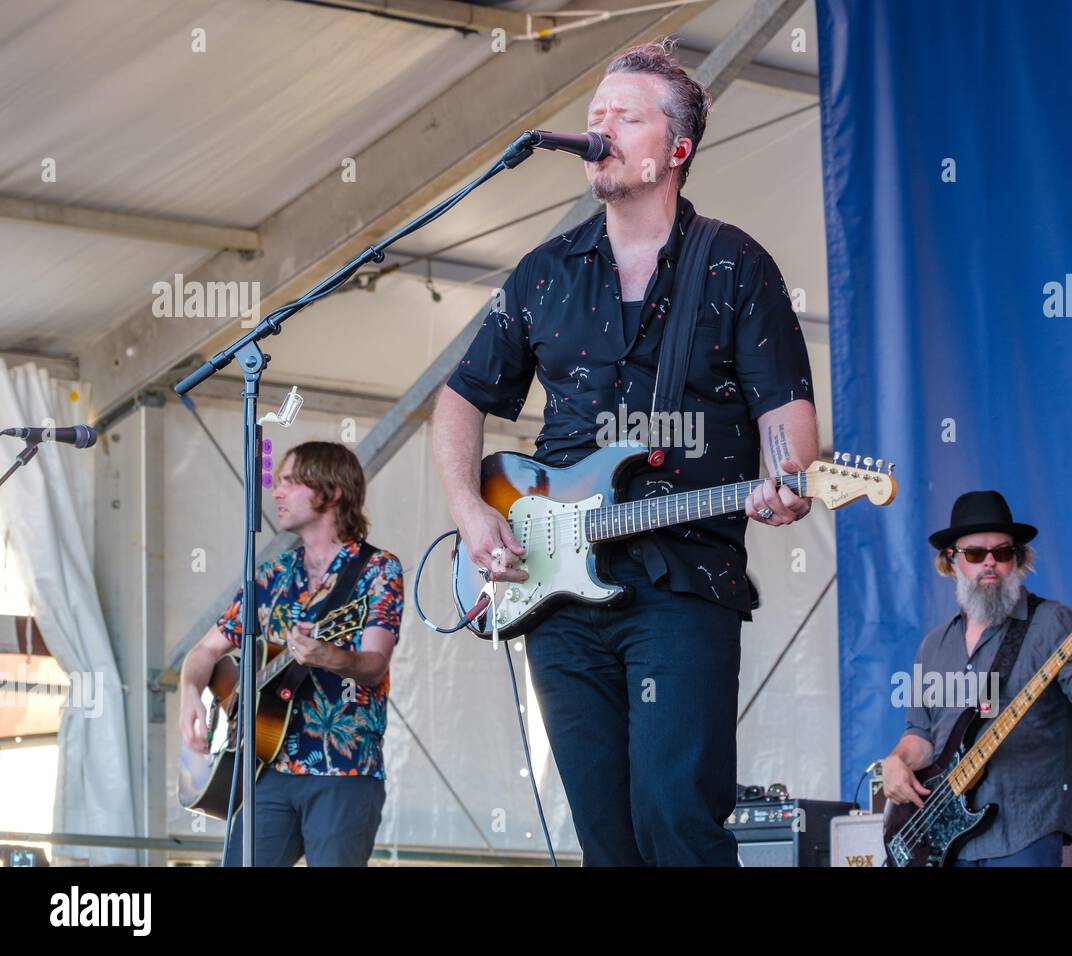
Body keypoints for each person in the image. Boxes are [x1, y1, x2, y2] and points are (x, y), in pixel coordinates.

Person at [433, 39, 818, 865]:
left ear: (675, 148)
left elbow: (786, 418)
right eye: (593, 116)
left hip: (682, 582)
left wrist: (784, 481)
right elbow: (460, 398)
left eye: (625, 116)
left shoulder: (734, 265)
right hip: (556, 594)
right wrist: (471, 513)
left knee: (676, 821)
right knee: (607, 838)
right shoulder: (544, 273)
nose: (598, 130)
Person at [179, 442, 403, 866]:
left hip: (345, 771)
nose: (276, 492)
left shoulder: (377, 570)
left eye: (289, 482)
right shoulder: (272, 575)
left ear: (331, 491)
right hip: (268, 770)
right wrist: (190, 691)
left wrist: (327, 656)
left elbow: (374, 666)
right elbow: (206, 650)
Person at [881, 490, 1072, 866]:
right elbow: (921, 734)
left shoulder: (1052, 622)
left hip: (1024, 830)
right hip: (942, 840)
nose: (990, 563)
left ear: (1019, 559)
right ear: (952, 561)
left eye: (1003, 553)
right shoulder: (933, 646)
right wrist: (895, 761)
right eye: (975, 554)